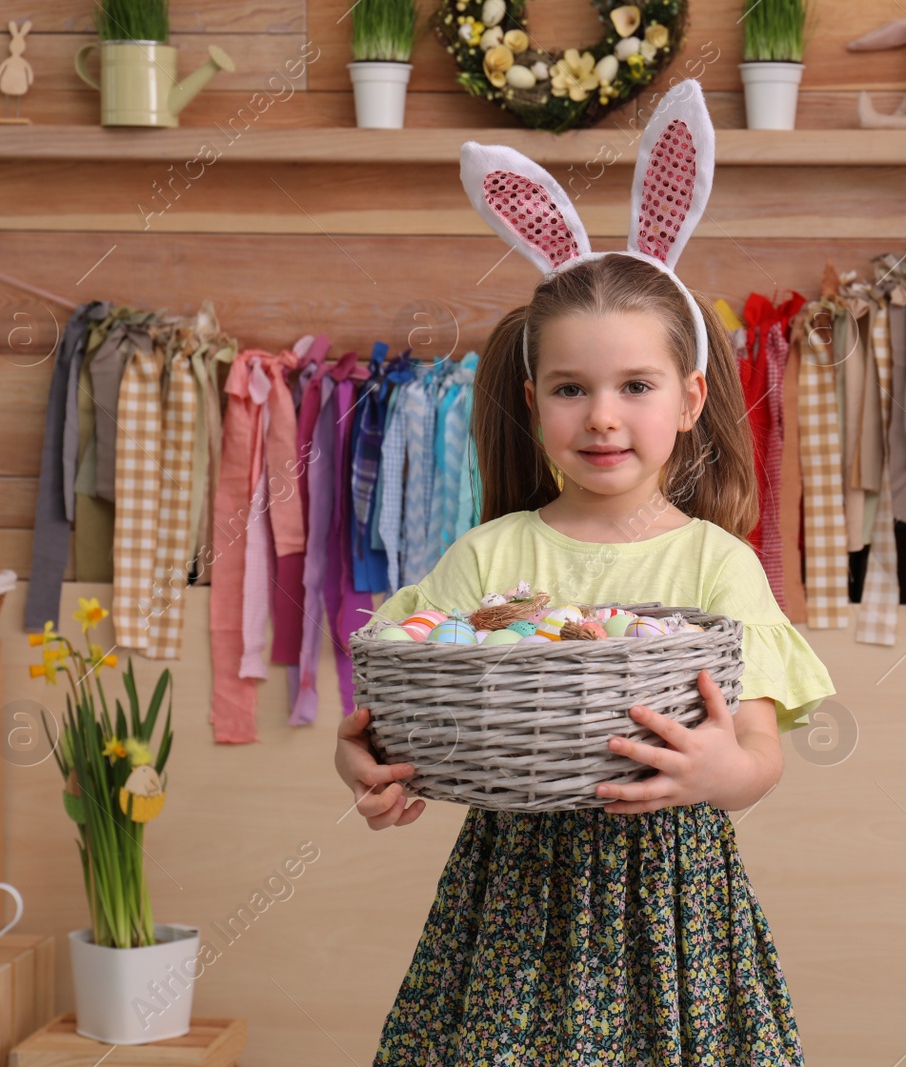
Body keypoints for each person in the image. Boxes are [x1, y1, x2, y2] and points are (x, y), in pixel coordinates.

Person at [333, 79, 835, 1065]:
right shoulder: (491, 557)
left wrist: (716, 769)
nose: (602, 416)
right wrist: (363, 759)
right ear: (533, 400)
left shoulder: (714, 564)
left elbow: (759, 755)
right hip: (512, 901)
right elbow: (397, 697)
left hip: (671, 907)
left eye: (634, 386)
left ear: (689, 397)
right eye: (571, 387)